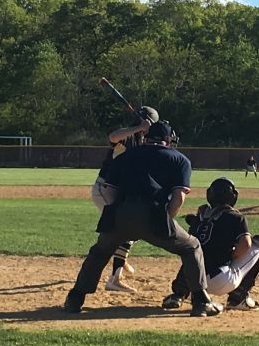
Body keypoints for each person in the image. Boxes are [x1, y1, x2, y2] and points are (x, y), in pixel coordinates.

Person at [64, 121, 222, 317]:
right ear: (169, 140)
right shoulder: (180, 159)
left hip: (120, 213)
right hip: (154, 215)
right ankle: (200, 301)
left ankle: (75, 298)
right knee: (191, 247)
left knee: (99, 253)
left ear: (146, 138)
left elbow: (109, 190)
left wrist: (119, 215)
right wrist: (166, 221)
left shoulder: (125, 156)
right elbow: (179, 197)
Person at [162, 177, 259, 312]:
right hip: (221, 280)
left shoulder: (199, 218)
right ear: (233, 196)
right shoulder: (236, 217)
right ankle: (238, 298)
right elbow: (246, 245)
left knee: (193, 252)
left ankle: (179, 294)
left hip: (194, 283)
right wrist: (232, 256)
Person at [91, 106, 159, 293]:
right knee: (127, 228)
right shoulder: (129, 135)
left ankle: (120, 259)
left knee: (123, 228)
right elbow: (113, 136)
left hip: (115, 190)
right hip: (106, 189)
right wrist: (138, 128)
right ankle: (115, 279)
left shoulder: (142, 141)